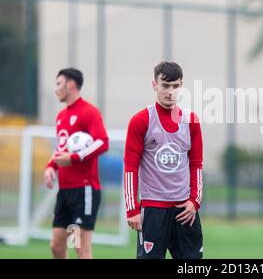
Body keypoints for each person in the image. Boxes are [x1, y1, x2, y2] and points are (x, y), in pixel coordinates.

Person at [124, 61, 203, 259]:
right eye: (165, 85)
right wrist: (132, 209)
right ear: (154, 85)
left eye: (175, 86)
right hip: (153, 210)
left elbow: (196, 164)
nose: (170, 92)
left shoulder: (191, 121)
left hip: (185, 210)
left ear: (181, 86)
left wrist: (194, 201)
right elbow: (130, 167)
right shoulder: (141, 120)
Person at [44, 68, 109, 259]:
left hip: (84, 191)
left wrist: (74, 158)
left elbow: (102, 142)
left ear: (70, 85)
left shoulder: (89, 112)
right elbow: (61, 148)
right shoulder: (61, 117)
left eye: (58, 84)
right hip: (64, 191)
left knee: (80, 248)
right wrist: (51, 166)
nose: (55, 89)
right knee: (56, 246)